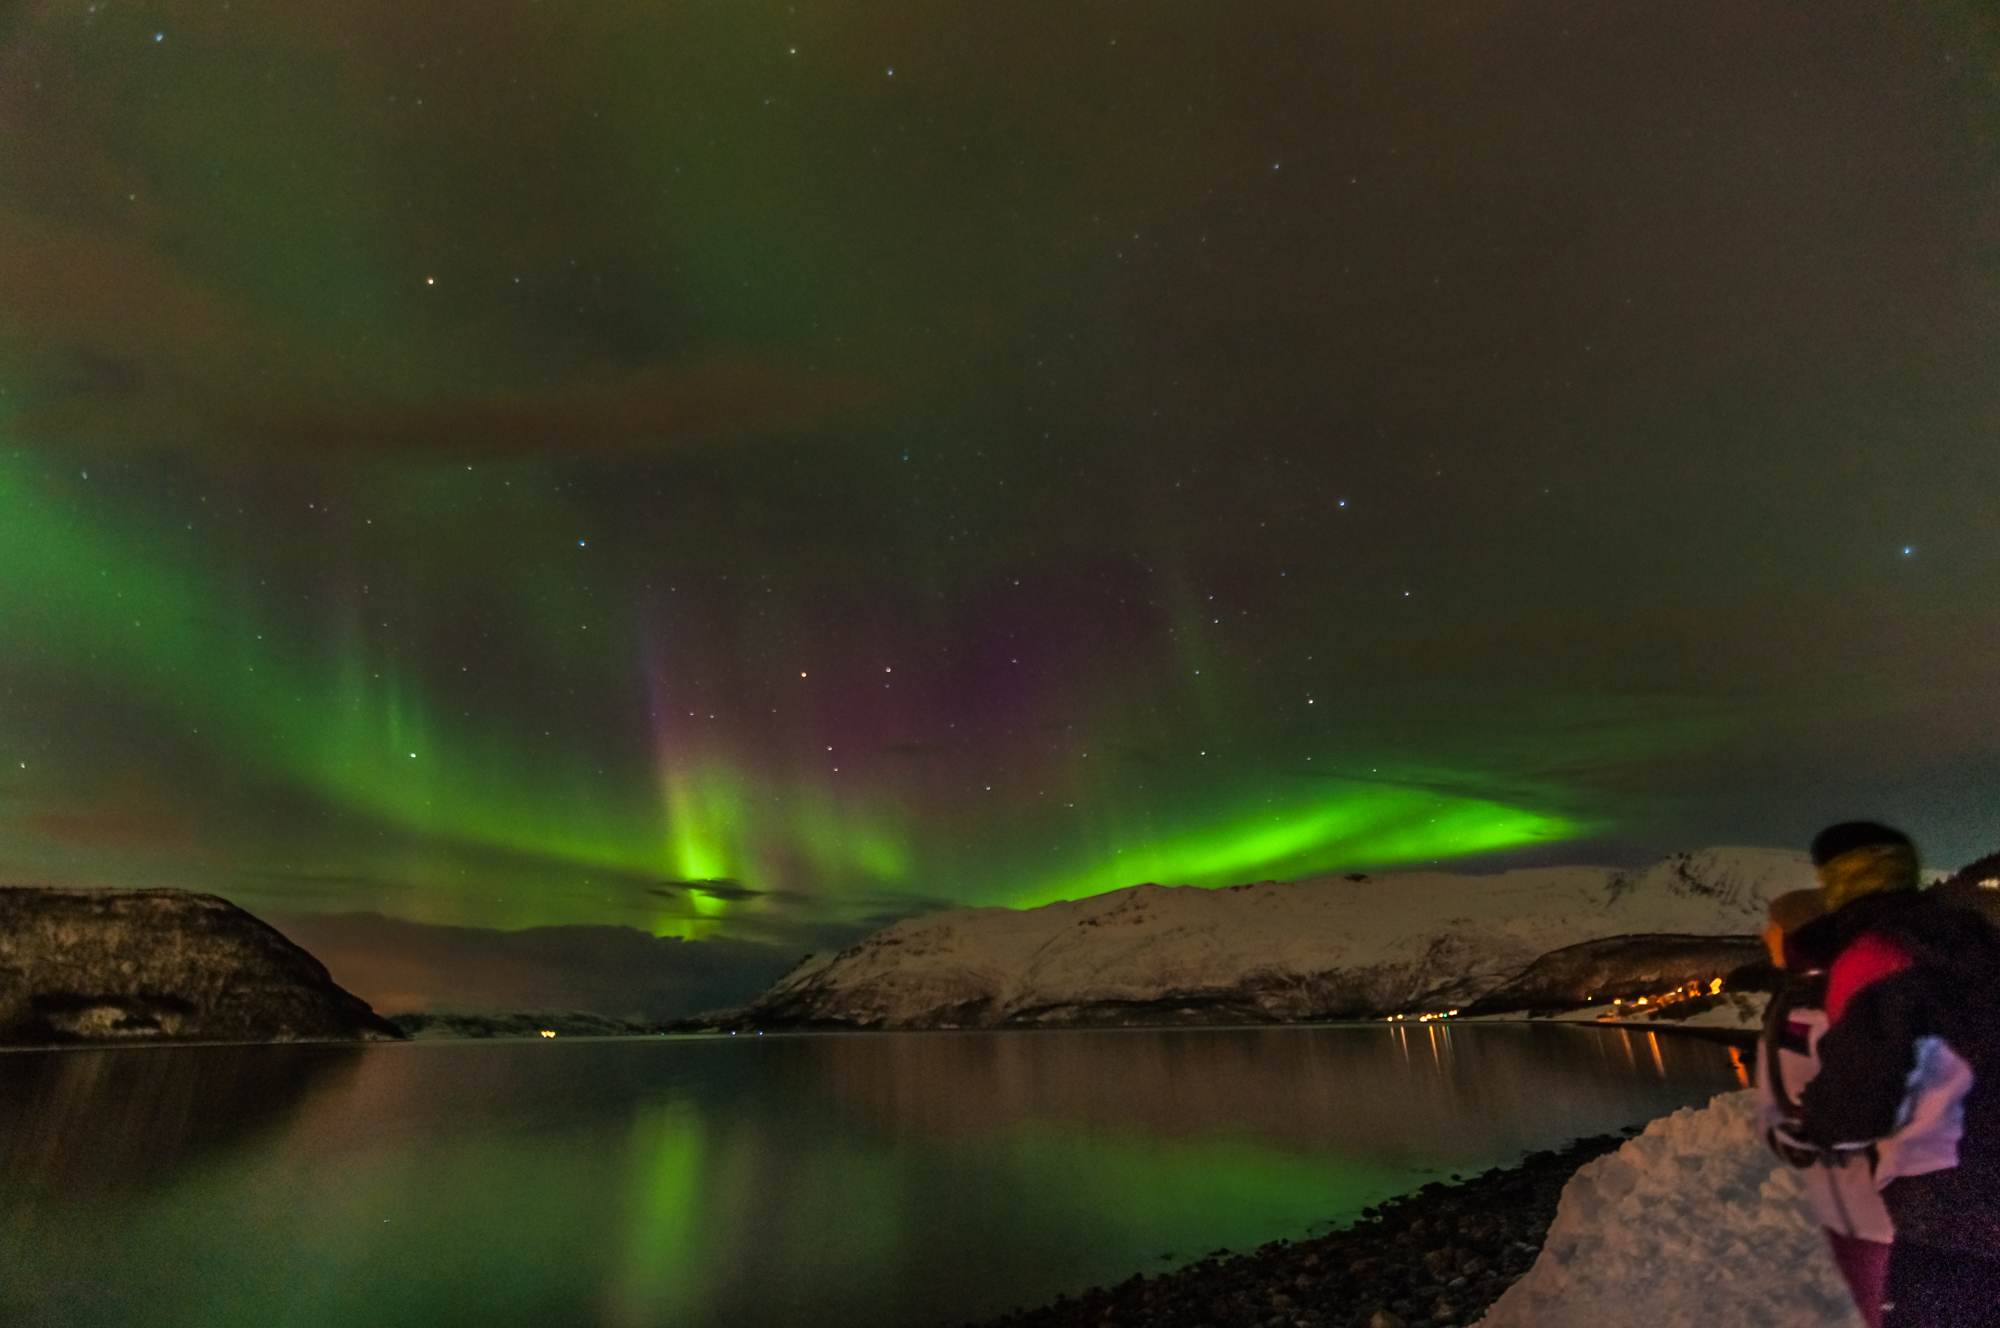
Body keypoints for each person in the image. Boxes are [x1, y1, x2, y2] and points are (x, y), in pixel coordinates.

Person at [1778, 822, 2000, 1328]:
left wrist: (1813, 1120)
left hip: (1951, 1209)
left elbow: (1857, 1105)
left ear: (1837, 881)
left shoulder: (1870, 956)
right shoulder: (1975, 938)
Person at [1757, 886, 1894, 1326]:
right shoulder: (1789, 1009)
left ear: (1801, 937)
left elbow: (1879, 1101)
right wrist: (1781, 1135)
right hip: (1843, 1210)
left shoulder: (1859, 1008)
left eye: (1775, 929)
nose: (1765, 937)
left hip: (1884, 1212)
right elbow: (1774, 1101)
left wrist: (1818, 1131)